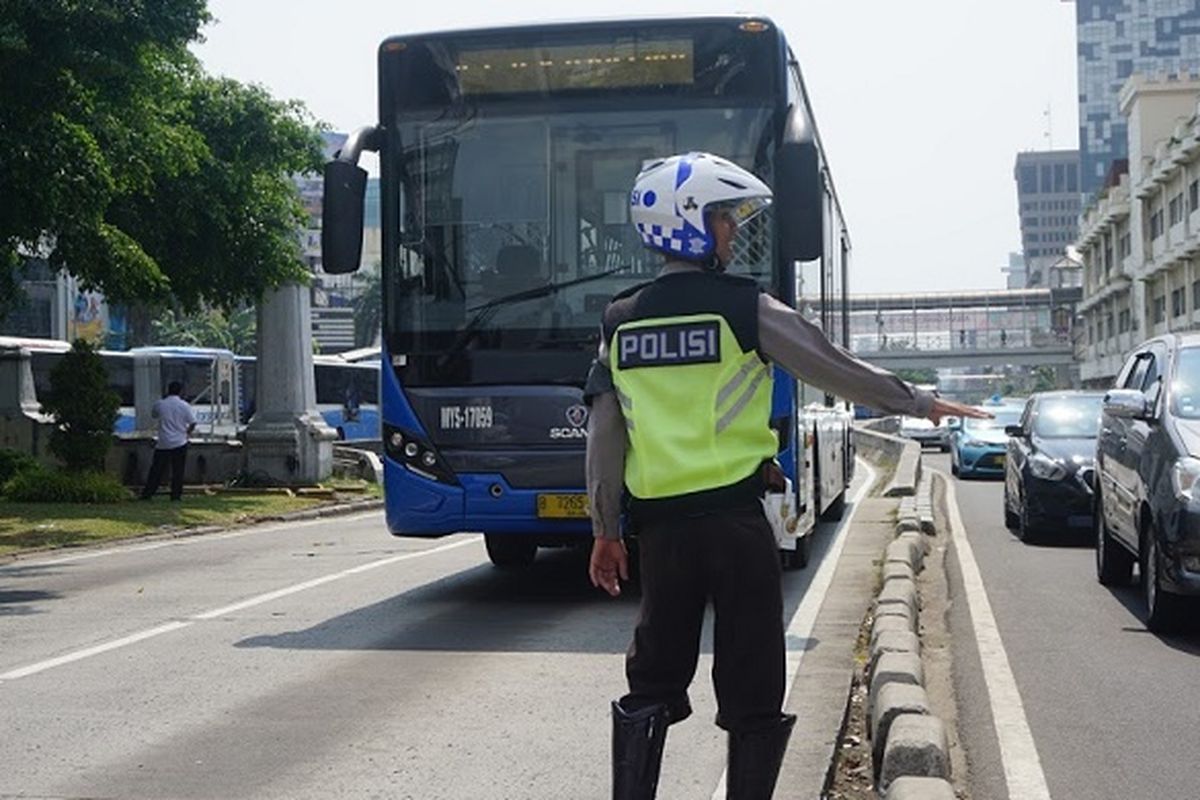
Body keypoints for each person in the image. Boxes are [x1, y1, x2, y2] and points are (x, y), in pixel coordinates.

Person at [583, 152, 986, 800]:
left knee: (652, 681)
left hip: (661, 535)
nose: (731, 232)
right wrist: (914, 400)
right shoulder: (745, 309)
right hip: (737, 528)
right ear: (689, 224)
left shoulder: (619, 321)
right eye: (722, 219)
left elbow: (605, 435)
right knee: (752, 689)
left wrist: (605, 530)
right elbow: (832, 366)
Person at [140, 380, 196, 501]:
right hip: (180, 442)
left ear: (168, 391)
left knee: (156, 470)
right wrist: (187, 433)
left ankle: (148, 493)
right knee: (178, 470)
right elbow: (192, 422)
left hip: (163, 442)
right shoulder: (184, 405)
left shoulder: (160, 404)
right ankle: (175, 495)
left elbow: (154, 415)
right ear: (180, 392)